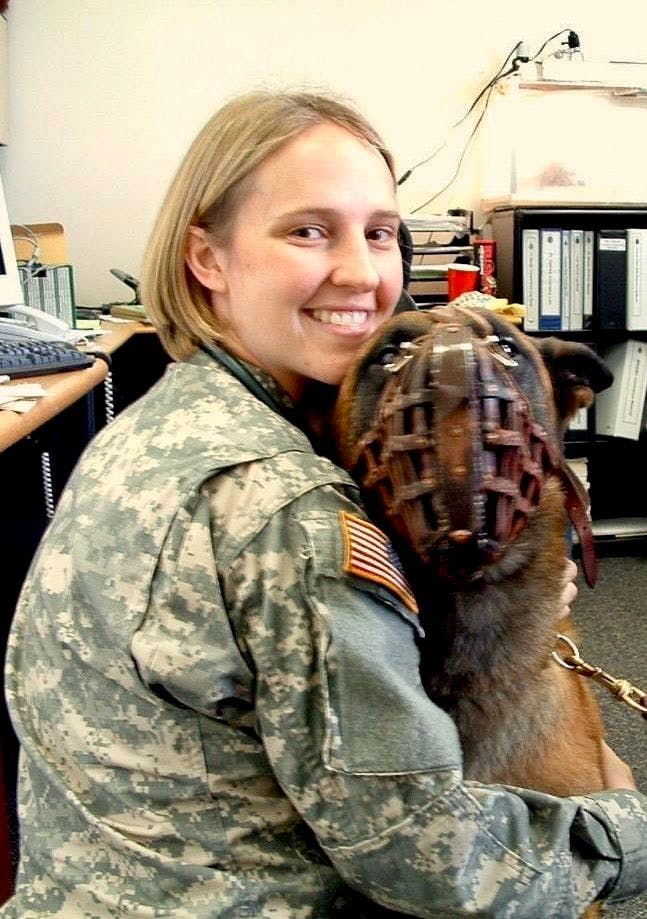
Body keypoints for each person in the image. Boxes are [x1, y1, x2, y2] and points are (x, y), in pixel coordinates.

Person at [2, 90, 646, 918]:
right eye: (308, 231)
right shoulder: (289, 509)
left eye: (379, 233)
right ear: (207, 257)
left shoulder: (168, 416)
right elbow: (434, 864)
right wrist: (623, 822)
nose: (359, 272)